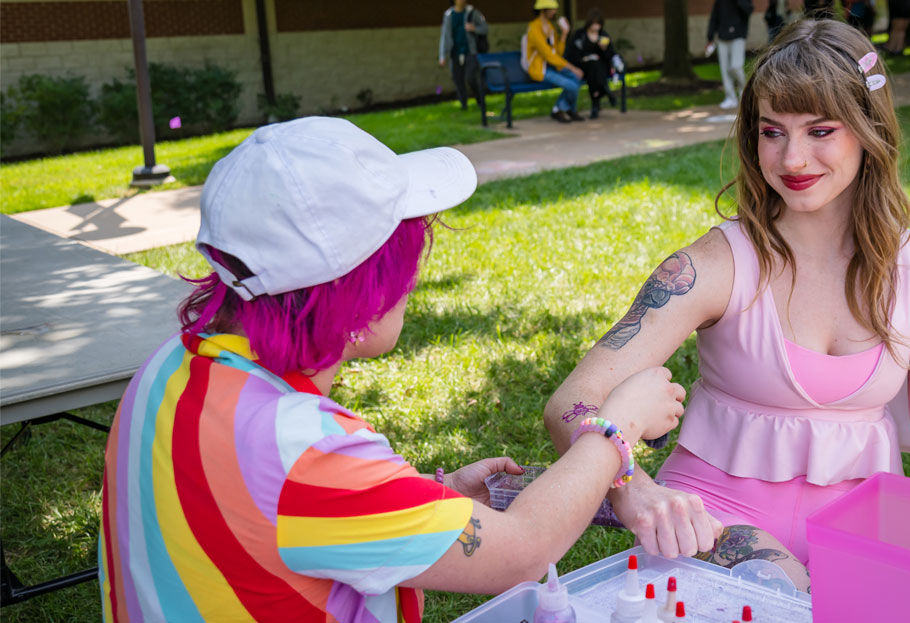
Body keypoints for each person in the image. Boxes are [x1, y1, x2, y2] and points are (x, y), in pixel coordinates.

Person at [97, 117, 686, 622]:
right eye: (402, 254)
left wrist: (434, 499)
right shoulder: (306, 455)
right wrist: (617, 425)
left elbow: (284, 520)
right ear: (359, 292)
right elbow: (525, 549)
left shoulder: (169, 368)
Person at [544, 19, 910, 593]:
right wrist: (635, 490)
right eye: (772, 132)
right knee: (781, 590)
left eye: (820, 131)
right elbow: (570, 403)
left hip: (866, 541)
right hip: (715, 532)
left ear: (868, 129)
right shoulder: (713, 265)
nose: (793, 159)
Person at [525, 0, 586, 123]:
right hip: (540, 69)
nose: (555, 12)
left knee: (576, 78)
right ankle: (561, 109)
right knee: (572, 85)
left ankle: (565, 109)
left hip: (553, 66)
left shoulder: (550, 27)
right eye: (552, 9)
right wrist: (572, 67)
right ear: (544, 10)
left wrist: (564, 34)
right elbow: (549, 55)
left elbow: (558, 53)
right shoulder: (534, 29)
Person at [566, 7, 625, 119]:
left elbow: (610, 56)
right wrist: (586, 58)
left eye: (598, 24)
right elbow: (573, 54)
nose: (596, 26)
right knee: (593, 66)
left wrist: (604, 49)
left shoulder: (603, 36)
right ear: (589, 23)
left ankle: (596, 102)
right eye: (594, 23)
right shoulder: (580, 34)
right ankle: (604, 91)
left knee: (596, 66)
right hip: (584, 67)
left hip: (600, 69)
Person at [439, 0, 489, 112]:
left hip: (471, 52)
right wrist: (442, 55)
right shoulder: (448, 15)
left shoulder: (473, 13)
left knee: (471, 77)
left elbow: (485, 28)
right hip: (455, 52)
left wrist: (474, 28)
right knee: (458, 79)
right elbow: (445, 36)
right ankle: (464, 105)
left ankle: (480, 101)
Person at [706, 0, 755, 109]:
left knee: (736, 66)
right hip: (722, 37)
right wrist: (710, 37)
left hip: (738, 36)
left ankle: (746, 92)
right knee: (725, 69)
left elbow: (749, 11)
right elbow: (714, 17)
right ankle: (730, 97)